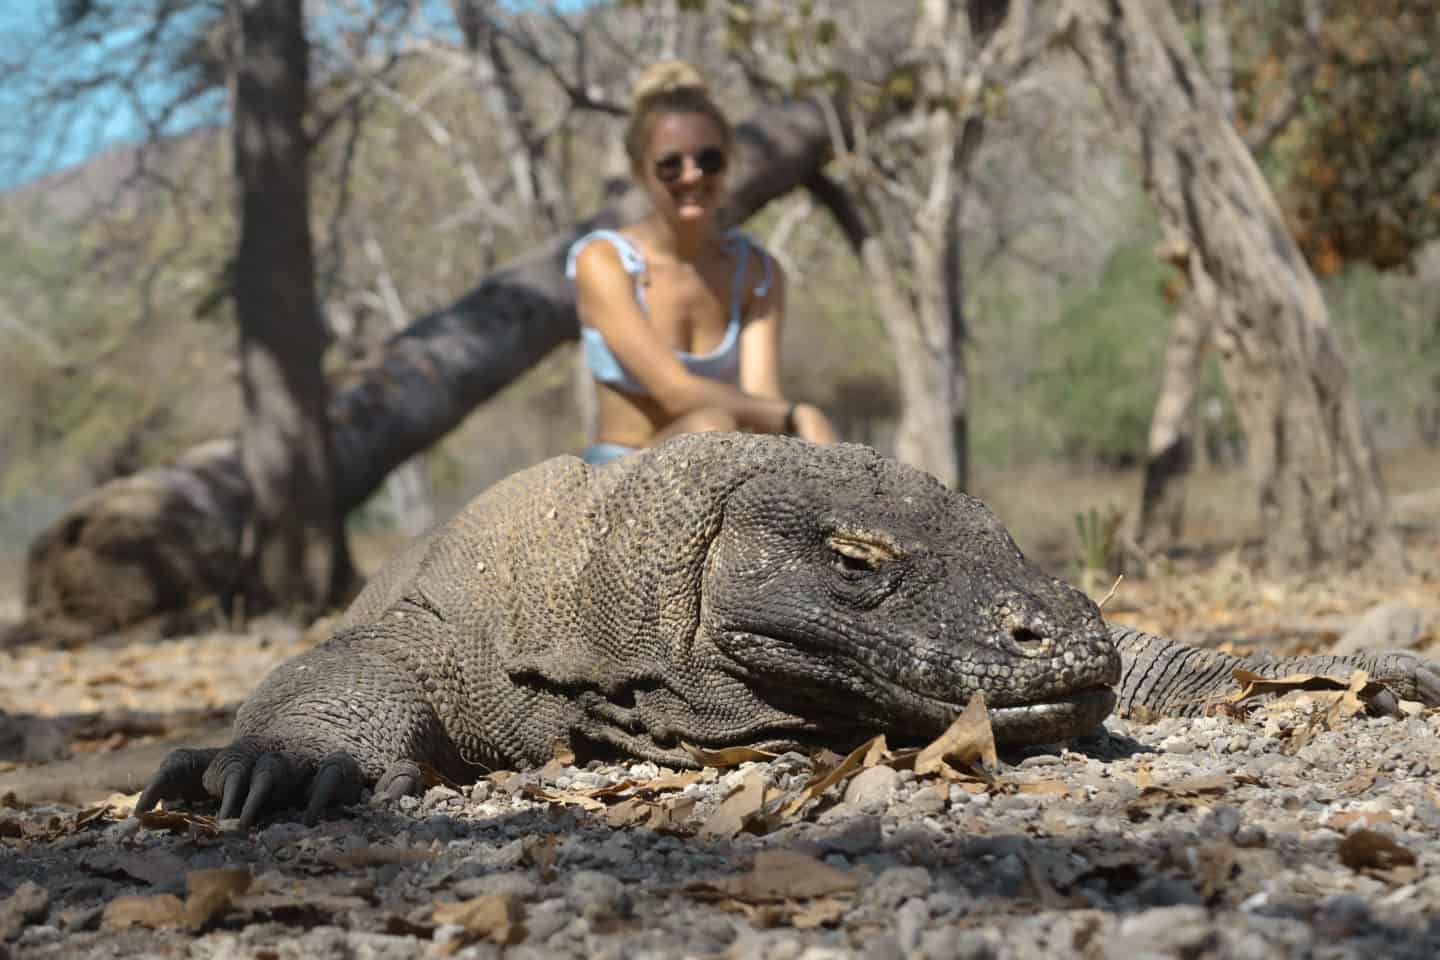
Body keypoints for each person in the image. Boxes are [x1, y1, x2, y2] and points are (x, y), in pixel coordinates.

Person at [566, 60, 838, 466]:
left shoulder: (758, 273)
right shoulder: (603, 261)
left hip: (719, 462)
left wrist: (803, 430)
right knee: (710, 426)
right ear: (641, 171)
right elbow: (673, 391)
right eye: (670, 164)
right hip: (623, 470)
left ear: (728, 162)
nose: (692, 176)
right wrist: (797, 415)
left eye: (709, 160)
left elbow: (762, 399)